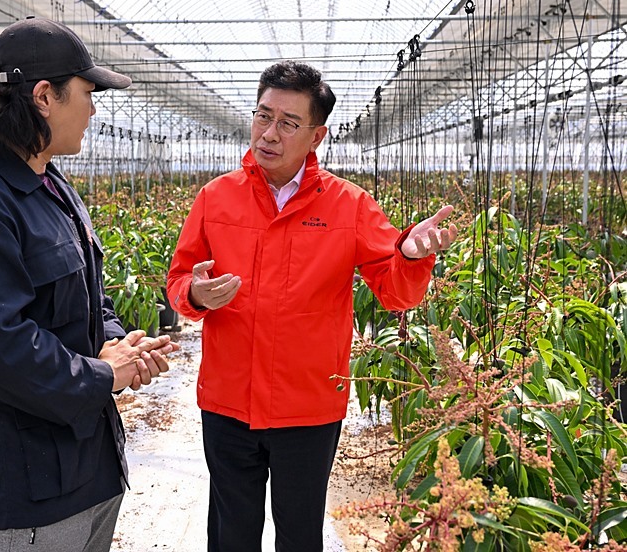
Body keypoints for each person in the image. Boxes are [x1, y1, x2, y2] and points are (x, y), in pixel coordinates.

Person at [166, 60, 458, 552]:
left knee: (300, 533)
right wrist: (194, 294)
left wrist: (409, 255)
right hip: (227, 401)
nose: (269, 133)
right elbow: (180, 279)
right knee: (229, 533)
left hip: (308, 407)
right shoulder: (216, 199)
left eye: (288, 123)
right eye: (263, 116)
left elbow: (395, 292)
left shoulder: (348, 205)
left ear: (316, 136)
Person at [0, 17, 175, 552]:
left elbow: (89, 295)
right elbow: (2, 352)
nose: (94, 109)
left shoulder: (51, 185)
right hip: (30, 493)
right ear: (43, 97)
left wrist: (115, 342)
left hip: (91, 464)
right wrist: (104, 375)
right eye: (87, 93)